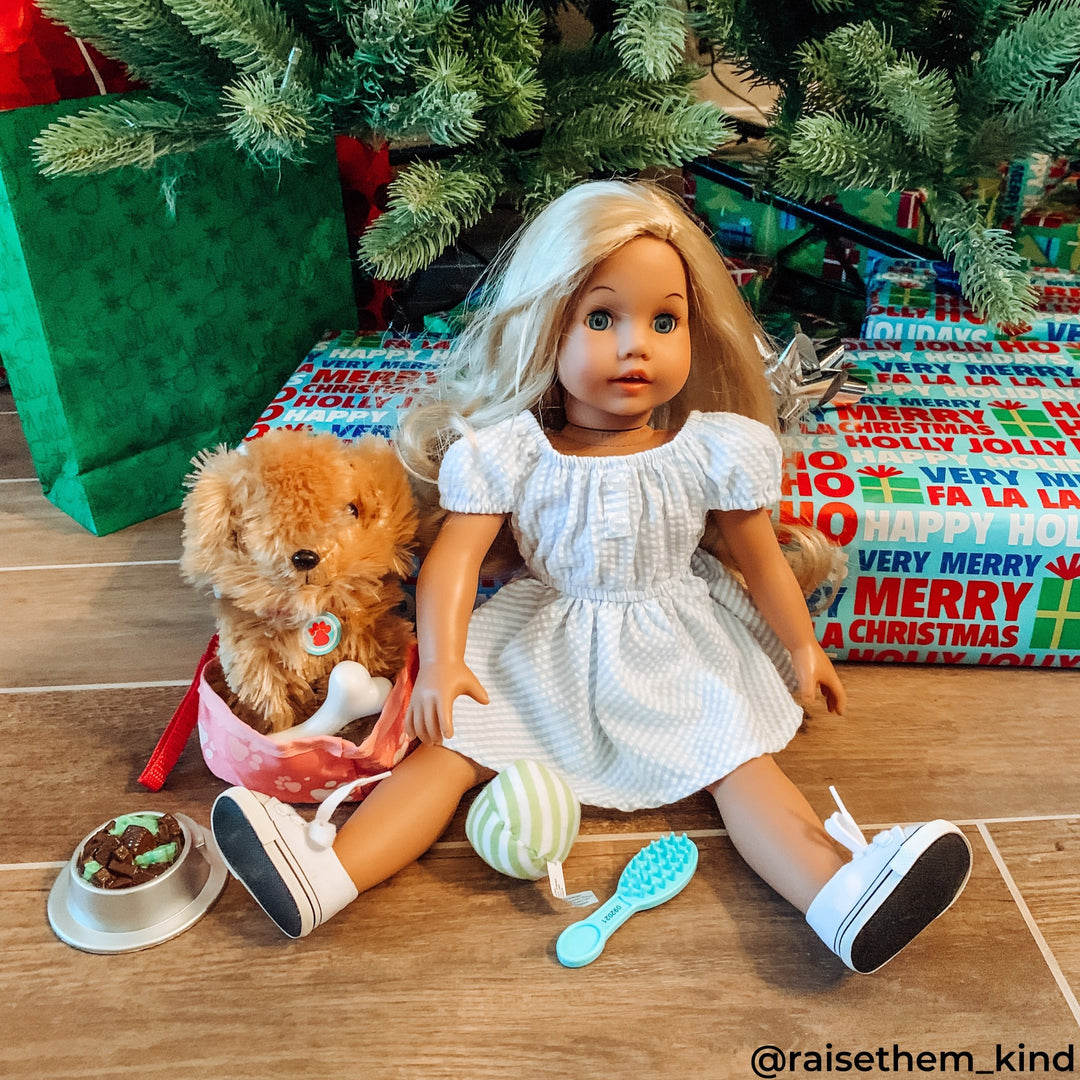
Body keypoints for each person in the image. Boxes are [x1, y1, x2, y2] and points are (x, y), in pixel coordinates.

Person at [211, 180, 971, 972]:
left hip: (678, 637)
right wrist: (441, 662)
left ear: (694, 330)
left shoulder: (714, 446)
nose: (634, 344)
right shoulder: (510, 452)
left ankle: (839, 896)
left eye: (664, 320)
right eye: (601, 318)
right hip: (548, 635)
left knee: (739, 761)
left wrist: (803, 647)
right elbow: (452, 566)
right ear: (549, 328)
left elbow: (759, 557)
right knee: (449, 750)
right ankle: (326, 873)